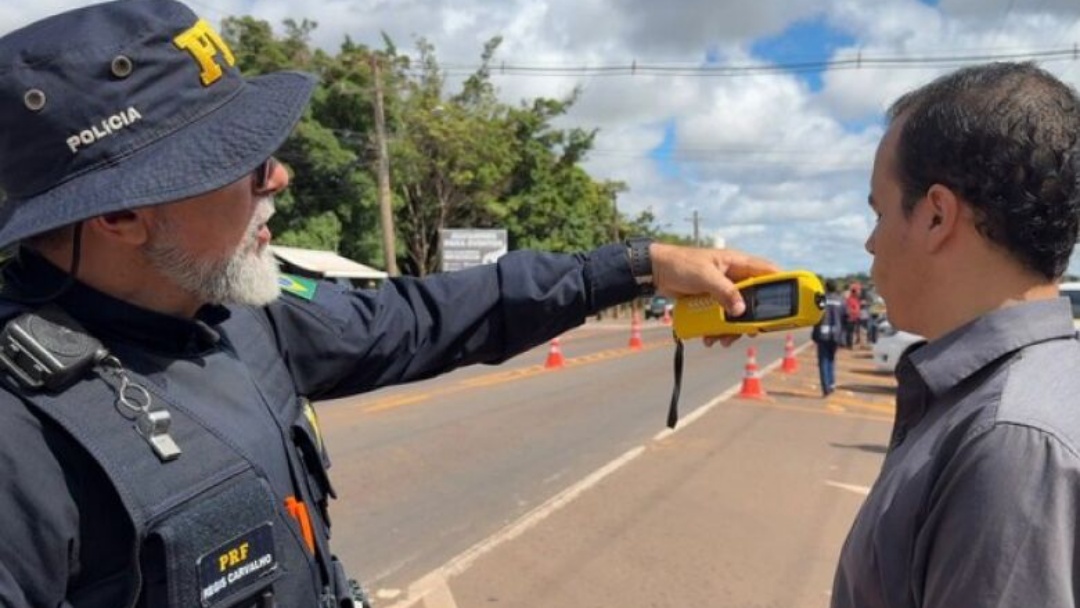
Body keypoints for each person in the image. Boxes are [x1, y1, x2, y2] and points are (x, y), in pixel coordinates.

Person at [0, 2, 779, 607]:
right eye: (242, 163)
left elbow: (427, 314)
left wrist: (636, 264)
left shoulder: (241, 313)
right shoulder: (19, 435)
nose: (279, 180)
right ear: (120, 217)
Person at [832, 61, 1080, 608]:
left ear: (937, 216)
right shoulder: (1036, 391)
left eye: (878, 212)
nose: (872, 243)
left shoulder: (1009, 442)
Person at [811, 279, 843, 396]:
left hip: (822, 334)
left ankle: (826, 387)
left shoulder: (821, 300)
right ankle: (831, 383)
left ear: (826, 287)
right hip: (835, 334)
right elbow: (846, 317)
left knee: (823, 361)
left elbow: (815, 317)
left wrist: (814, 334)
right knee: (831, 359)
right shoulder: (840, 300)